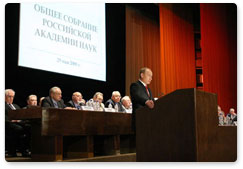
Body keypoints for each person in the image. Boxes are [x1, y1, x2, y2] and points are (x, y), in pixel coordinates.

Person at [5, 89, 30, 157]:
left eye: (12, 96)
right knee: (19, 129)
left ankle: (26, 150)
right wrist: (14, 121)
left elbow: (22, 116)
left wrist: (21, 121)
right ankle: (16, 151)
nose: (11, 98)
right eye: (9, 96)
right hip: (8, 124)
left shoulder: (16, 106)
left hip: (19, 123)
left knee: (30, 128)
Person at [130, 67, 154, 131]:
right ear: (142, 75)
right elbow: (136, 96)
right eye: (149, 75)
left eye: (152, 77)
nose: (151, 79)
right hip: (139, 118)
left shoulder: (148, 89)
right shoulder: (135, 85)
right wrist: (146, 101)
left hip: (148, 119)